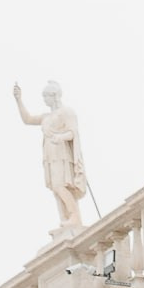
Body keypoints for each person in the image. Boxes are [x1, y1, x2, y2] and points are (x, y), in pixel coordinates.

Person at [12, 80, 91, 232]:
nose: (44, 99)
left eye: (46, 96)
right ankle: (65, 219)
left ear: (54, 96)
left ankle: (74, 216)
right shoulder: (46, 116)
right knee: (55, 189)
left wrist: (59, 137)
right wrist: (19, 99)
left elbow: (73, 132)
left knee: (60, 185)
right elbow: (27, 119)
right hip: (49, 156)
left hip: (62, 154)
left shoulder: (66, 112)